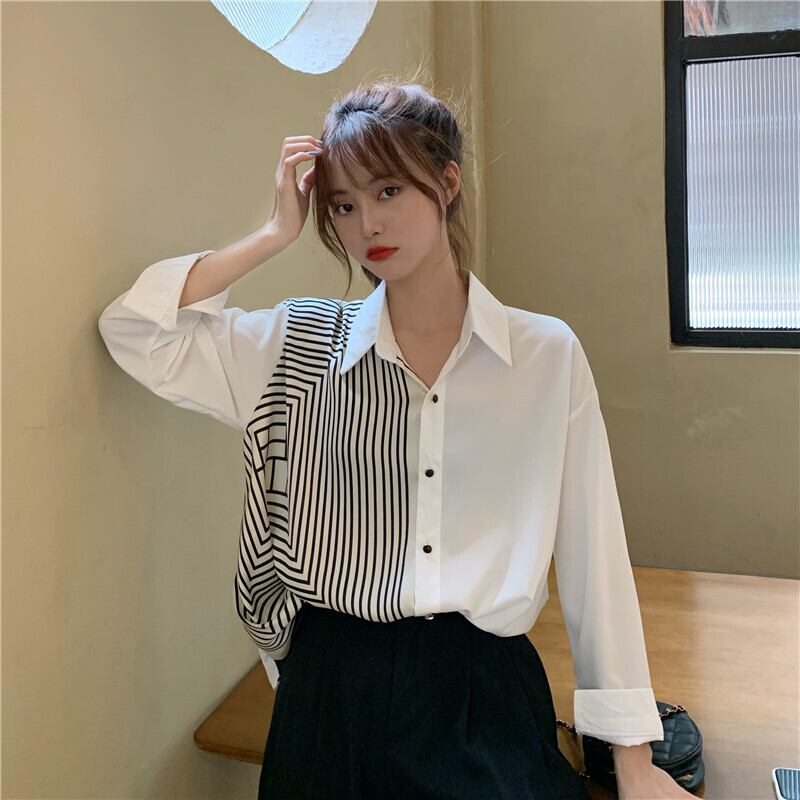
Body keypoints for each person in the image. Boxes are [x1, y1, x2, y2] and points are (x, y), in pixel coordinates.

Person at [98, 76, 693, 800]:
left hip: (482, 693)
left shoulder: (544, 356)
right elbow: (135, 332)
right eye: (343, 205)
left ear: (447, 183)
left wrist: (633, 760)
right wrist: (273, 234)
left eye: (388, 191)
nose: (367, 225)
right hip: (330, 697)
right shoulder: (297, 347)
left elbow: (595, 559)